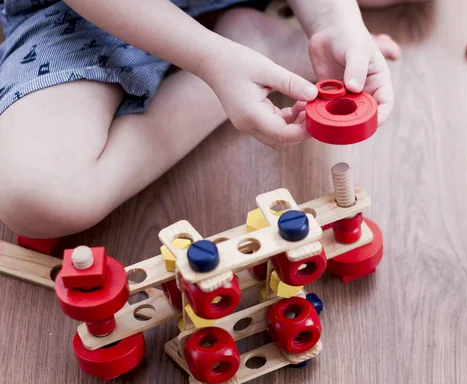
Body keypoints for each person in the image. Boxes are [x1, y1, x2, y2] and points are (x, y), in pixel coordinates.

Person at [0, 0, 405, 239]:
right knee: (39, 194)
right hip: (87, 16)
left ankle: (243, 47)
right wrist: (209, 57)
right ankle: (252, 45)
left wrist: (334, 22)